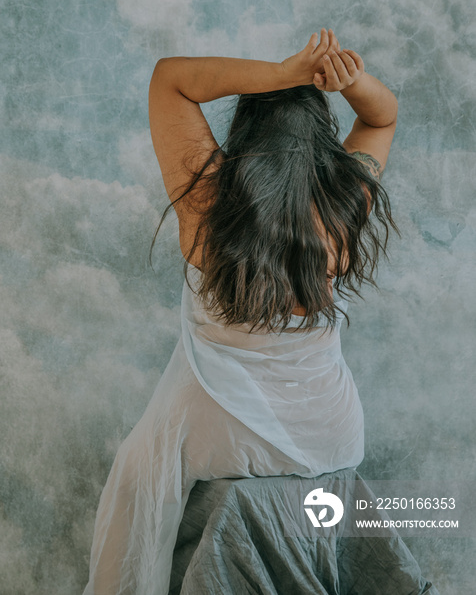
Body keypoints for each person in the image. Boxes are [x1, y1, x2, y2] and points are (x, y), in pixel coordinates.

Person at [83, 29, 401, 594]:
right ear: (324, 144)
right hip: (330, 431)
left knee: (139, 472)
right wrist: (350, 81)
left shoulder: (210, 203)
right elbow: (381, 119)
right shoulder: (344, 205)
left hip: (225, 427)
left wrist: (284, 72)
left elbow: (170, 78)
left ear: (247, 133)